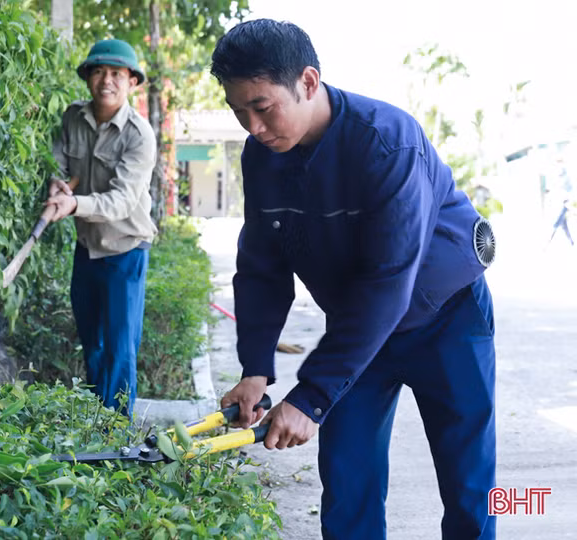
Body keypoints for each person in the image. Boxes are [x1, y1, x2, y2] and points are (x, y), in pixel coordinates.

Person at [210, 19, 497, 539]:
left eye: (263, 106)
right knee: (346, 481)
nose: (251, 126)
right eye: (238, 110)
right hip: (358, 333)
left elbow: (389, 280)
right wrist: (256, 367)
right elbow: (261, 264)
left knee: (469, 484)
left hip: (446, 320)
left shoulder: (388, 143)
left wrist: (313, 396)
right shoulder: (263, 155)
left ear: (309, 82)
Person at [47, 39, 157, 418]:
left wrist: (73, 204)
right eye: (98, 72)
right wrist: (57, 185)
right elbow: (59, 163)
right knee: (91, 341)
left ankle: (118, 432)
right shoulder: (72, 117)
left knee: (119, 347)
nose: (106, 81)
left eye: (116, 74)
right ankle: (97, 420)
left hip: (125, 249)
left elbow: (122, 202)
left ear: (131, 82)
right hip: (87, 248)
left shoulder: (139, 136)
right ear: (88, 78)